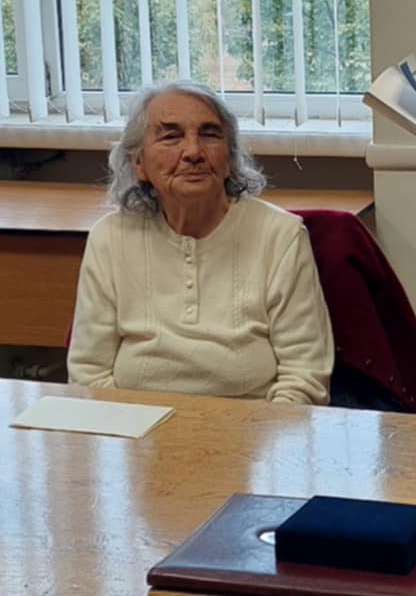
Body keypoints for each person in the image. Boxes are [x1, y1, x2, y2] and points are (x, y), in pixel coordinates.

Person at [68, 81, 332, 405]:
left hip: (251, 428)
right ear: (139, 162)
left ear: (229, 158)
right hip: (137, 427)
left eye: (210, 135)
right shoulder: (110, 238)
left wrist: (248, 434)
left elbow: (304, 379)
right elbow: (88, 375)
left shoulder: (280, 236)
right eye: (171, 136)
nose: (193, 152)